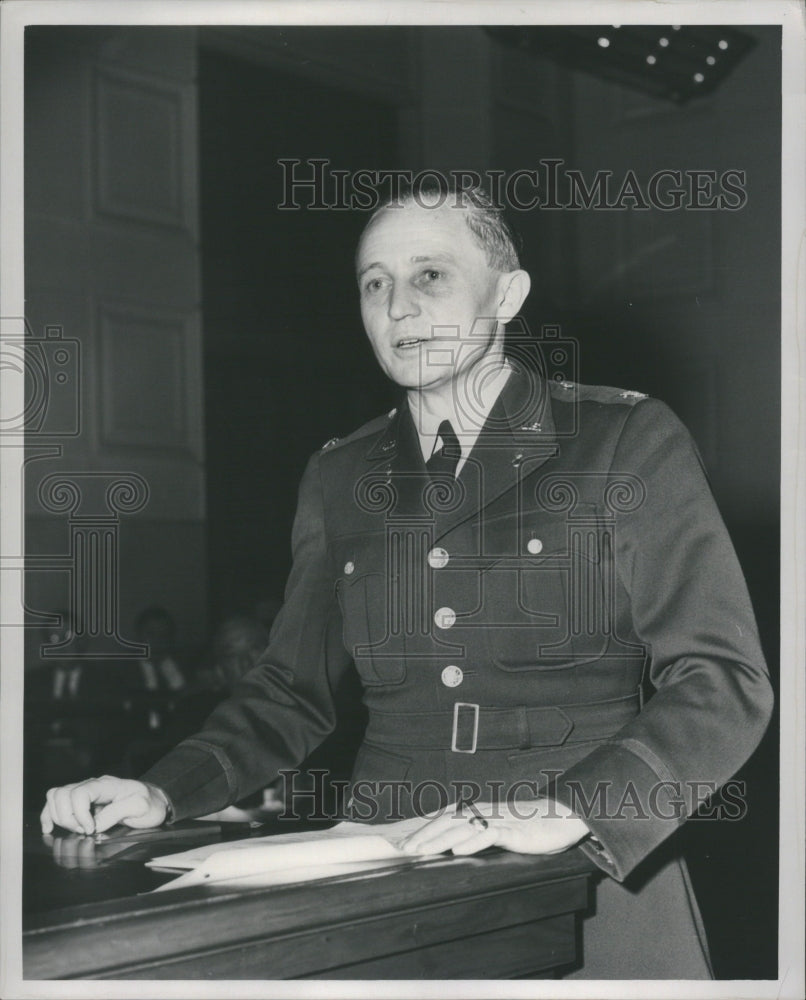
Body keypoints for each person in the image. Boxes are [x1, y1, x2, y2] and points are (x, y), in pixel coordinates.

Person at [40, 184, 773, 978]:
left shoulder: (621, 439)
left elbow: (722, 681)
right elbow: (289, 689)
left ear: (507, 294)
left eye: (430, 276)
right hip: (385, 873)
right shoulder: (340, 473)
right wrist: (164, 790)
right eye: (374, 282)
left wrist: (571, 809)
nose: (398, 306)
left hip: (588, 871)